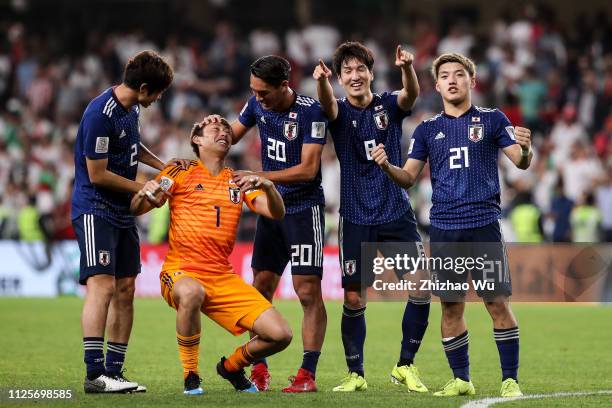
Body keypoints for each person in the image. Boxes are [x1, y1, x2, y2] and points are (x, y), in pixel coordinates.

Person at [371, 52, 533, 397]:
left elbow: (520, 162)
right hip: (444, 227)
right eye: (445, 75)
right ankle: (461, 379)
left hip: (483, 224)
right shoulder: (428, 129)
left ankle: (510, 380)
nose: (452, 80)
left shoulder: (492, 119)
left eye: (459, 74)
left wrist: (527, 150)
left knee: (497, 303)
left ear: (471, 81)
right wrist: (387, 166)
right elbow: (409, 178)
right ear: (438, 84)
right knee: (451, 304)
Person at [130, 118, 292, 395]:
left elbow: (277, 213)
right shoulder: (178, 171)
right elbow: (137, 207)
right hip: (181, 271)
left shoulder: (238, 179)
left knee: (281, 335)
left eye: (227, 130)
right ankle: (191, 374)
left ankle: (230, 367)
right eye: (215, 129)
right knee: (192, 293)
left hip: (222, 276)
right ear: (197, 140)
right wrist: (148, 192)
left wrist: (269, 186)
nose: (224, 132)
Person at [204, 55, 327, 392]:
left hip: (302, 210)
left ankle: (307, 374)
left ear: (284, 85)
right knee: (261, 290)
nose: (258, 98)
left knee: (307, 291)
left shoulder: (311, 111)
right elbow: (230, 139)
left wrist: (260, 176)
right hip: (270, 212)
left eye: (263, 93)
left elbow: (308, 170)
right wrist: (214, 129)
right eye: (253, 91)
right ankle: (258, 368)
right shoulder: (256, 105)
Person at [314, 41, 429, 392]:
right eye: (346, 71)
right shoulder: (337, 111)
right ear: (341, 78)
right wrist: (321, 80)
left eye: (360, 69)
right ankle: (356, 374)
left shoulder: (388, 105)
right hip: (355, 215)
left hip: (395, 210)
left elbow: (410, 96)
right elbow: (326, 103)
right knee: (353, 298)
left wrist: (407, 67)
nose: (354, 76)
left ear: (370, 72)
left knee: (421, 285)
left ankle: (405, 366)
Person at [72, 50, 187, 393]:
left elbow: (134, 146)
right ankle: (95, 375)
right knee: (102, 286)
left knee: (126, 290)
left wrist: (164, 166)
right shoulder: (100, 114)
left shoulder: (132, 108)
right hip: (95, 209)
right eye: (159, 93)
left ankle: (115, 372)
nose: (159, 99)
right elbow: (97, 174)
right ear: (145, 87)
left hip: (123, 212)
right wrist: (144, 186)